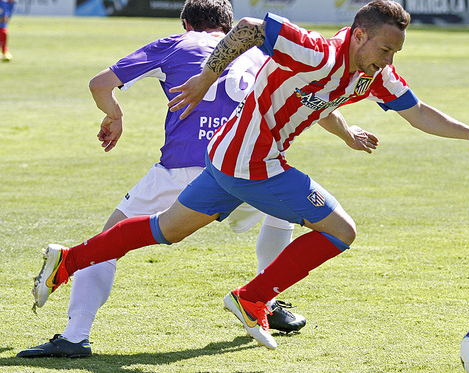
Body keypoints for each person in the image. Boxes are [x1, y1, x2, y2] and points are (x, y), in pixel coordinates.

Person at [30, 0, 469, 351]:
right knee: (341, 230)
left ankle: (69, 260)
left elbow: (418, 112)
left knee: (165, 230)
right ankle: (253, 298)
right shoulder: (315, 52)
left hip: (226, 161)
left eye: (395, 54)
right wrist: (203, 79)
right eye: (385, 49)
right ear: (360, 34)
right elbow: (245, 27)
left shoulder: (371, 76)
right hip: (253, 164)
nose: (389, 60)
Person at [19, 0, 378, 358]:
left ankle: (74, 335)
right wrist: (349, 135)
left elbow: (100, 84)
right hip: (248, 166)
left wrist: (114, 115)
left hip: (184, 169)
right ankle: (266, 300)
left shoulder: (176, 43)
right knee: (282, 213)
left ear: (187, 23)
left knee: (108, 243)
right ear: (229, 26)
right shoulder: (258, 53)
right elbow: (309, 97)